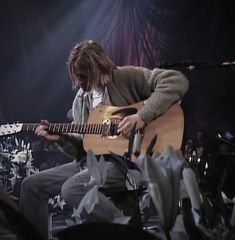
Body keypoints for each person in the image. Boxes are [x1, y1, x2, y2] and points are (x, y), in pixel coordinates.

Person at [19, 40, 189, 240]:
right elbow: (83, 150)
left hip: (132, 161)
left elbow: (177, 81)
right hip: (97, 163)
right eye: (77, 75)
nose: (80, 81)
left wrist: (142, 116)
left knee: (72, 189)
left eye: (84, 75)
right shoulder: (80, 102)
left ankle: (128, 233)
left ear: (98, 67)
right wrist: (61, 138)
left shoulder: (125, 77)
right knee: (31, 185)